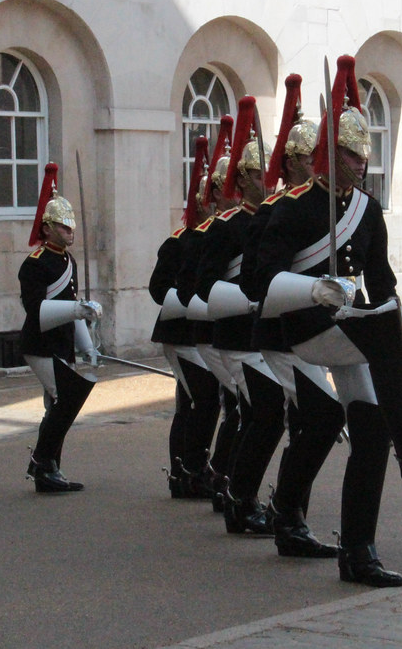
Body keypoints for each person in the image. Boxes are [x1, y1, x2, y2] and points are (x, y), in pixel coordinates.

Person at [252, 55, 402, 588]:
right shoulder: (295, 207)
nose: (360, 162)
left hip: (351, 332)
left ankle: (359, 550)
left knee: (370, 431)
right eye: (350, 153)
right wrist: (314, 287)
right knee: (378, 342)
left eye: (363, 152)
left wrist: (393, 317)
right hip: (304, 329)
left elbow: (382, 281)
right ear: (328, 153)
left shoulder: (367, 211)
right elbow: (260, 283)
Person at [239, 73, 341, 558]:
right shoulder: (276, 209)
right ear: (296, 160)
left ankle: (291, 513)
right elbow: (256, 282)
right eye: (308, 155)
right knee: (314, 417)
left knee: (308, 421)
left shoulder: (330, 208)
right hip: (281, 334)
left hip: (320, 335)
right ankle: (283, 512)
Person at [199, 95, 285, 536]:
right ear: (244, 178)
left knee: (259, 415)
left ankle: (234, 488)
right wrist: (251, 300)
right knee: (260, 413)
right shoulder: (228, 226)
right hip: (236, 336)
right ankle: (236, 493)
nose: (266, 180)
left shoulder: (272, 218)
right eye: (258, 174)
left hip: (263, 337)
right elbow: (206, 286)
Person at [20, 163, 103, 493]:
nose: (70, 231)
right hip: (40, 343)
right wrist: (77, 308)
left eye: (70, 226)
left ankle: (49, 467)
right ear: (47, 227)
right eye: (62, 226)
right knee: (66, 398)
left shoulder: (69, 261)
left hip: (63, 343)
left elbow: (71, 306)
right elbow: (37, 309)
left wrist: (88, 346)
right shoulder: (35, 263)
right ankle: (42, 462)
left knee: (58, 404)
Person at [148, 137, 222, 498]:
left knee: (195, 399)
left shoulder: (217, 238)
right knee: (202, 399)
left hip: (201, 333)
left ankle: (186, 468)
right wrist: (193, 303)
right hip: (180, 332)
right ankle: (189, 468)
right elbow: (158, 288)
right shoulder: (179, 242)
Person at [179, 116, 241, 511]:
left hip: (241, 333)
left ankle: (222, 476)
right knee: (217, 405)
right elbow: (188, 290)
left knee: (232, 407)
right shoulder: (205, 235)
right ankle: (206, 473)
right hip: (215, 336)